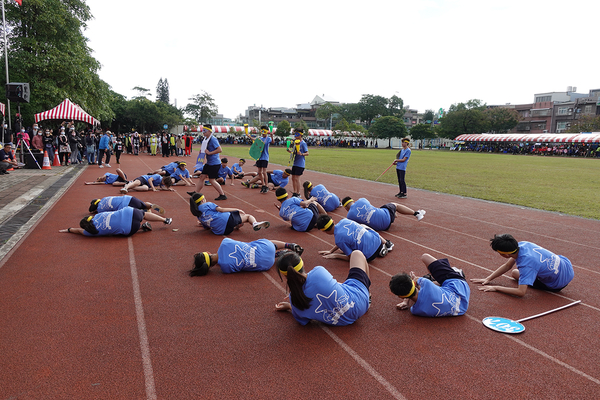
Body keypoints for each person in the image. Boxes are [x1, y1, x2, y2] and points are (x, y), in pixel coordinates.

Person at [274, 249, 371, 326]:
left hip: (342, 322)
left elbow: (304, 321)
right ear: (302, 263)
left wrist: (290, 306)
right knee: (357, 253)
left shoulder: (295, 301)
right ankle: (368, 295)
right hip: (360, 302)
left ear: (284, 275)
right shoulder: (318, 272)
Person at [470, 234, 574, 297]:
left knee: (515, 273)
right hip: (566, 266)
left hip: (557, 284)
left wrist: (496, 288)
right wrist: (488, 278)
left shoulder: (526, 265)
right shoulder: (523, 244)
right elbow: (507, 265)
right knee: (516, 272)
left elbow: (521, 292)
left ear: (504, 254)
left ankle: (545, 280)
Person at [389, 253, 470, 317]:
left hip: (461, 309)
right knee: (425, 257)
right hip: (459, 285)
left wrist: (405, 302)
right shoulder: (426, 283)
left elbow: (415, 292)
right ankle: (454, 272)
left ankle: (438, 281)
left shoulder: (415, 311)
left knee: (435, 286)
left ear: (401, 296)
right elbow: (419, 281)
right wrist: (415, 279)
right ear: (413, 282)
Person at [188, 238, 304, 276]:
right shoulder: (225, 242)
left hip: (267, 264)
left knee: (250, 259)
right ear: (208, 252)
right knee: (254, 244)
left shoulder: (225, 269)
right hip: (266, 247)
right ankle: (289, 245)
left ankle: (278, 255)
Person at [316, 215, 393, 261]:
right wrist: (331, 250)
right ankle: (385, 243)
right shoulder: (344, 220)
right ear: (333, 221)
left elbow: (350, 258)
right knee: (362, 226)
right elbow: (342, 240)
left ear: (324, 231)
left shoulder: (338, 240)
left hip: (370, 256)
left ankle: (376, 251)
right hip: (378, 241)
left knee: (352, 250)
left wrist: (336, 255)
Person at [59, 206, 172, 236]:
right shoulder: (98, 215)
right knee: (144, 214)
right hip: (130, 212)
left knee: (118, 232)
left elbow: (78, 231)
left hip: (130, 229)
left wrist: (68, 230)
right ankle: (164, 219)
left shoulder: (91, 232)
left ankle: (142, 227)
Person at [189, 192, 270, 235]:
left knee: (239, 219)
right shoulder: (207, 204)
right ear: (202, 200)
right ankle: (255, 223)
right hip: (226, 220)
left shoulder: (198, 215)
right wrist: (236, 209)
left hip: (222, 232)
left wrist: (201, 223)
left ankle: (237, 224)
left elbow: (206, 228)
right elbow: (221, 209)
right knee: (248, 216)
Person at [341, 197, 425, 231]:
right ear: (353, 201)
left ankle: (393, 212)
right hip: (386, 216)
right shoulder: (361, 200)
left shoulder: (349, 216)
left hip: (382, 228)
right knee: (395, 204)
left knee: (381, 209)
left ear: (346, 208)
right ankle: (416, 213)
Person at [192, 124, 227, 200]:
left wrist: (209, 153)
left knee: (211, 180)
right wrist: (202, 152)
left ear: (209, 131)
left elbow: (219, 150)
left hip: (214, 163)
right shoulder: (206, 139)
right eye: (202, 131)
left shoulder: (213, 139)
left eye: (204, 131)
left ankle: (222, 194)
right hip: (209, 163)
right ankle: (196, 192)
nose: (203, 133)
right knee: (202, 177)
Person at [88, 195, 166, 217]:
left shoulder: (100, 209)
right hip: (128, 198)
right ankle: (152, 206)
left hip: (125, 207)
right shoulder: (104, 198)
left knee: (142, 213)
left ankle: (150, 214)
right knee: (144, 204)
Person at [287, 128, 309, 197]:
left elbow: (307, 153)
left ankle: (298, 193)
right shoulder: (295, 143)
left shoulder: (303, 143)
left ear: (301, 135)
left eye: (297, 134)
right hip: (295, 163)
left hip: (300, 164)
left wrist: (301, 154)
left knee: (297, 178)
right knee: (293, 178)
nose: (295, 136)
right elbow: (294, 153)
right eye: (295, 134)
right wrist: (290, 151)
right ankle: (295, 192)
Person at [255, 126, 274, 193]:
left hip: (265, 157)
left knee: (264, 172)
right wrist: (248, 135)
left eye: (264, 131)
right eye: (262, 131)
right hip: (259, 157)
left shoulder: (268, 138)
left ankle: (266, 185)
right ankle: (263, 184)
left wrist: (271, 136)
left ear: (266, 132)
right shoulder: (260, 138)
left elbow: (272, 142)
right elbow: (254, 141)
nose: (263, 133)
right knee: (259, 172)